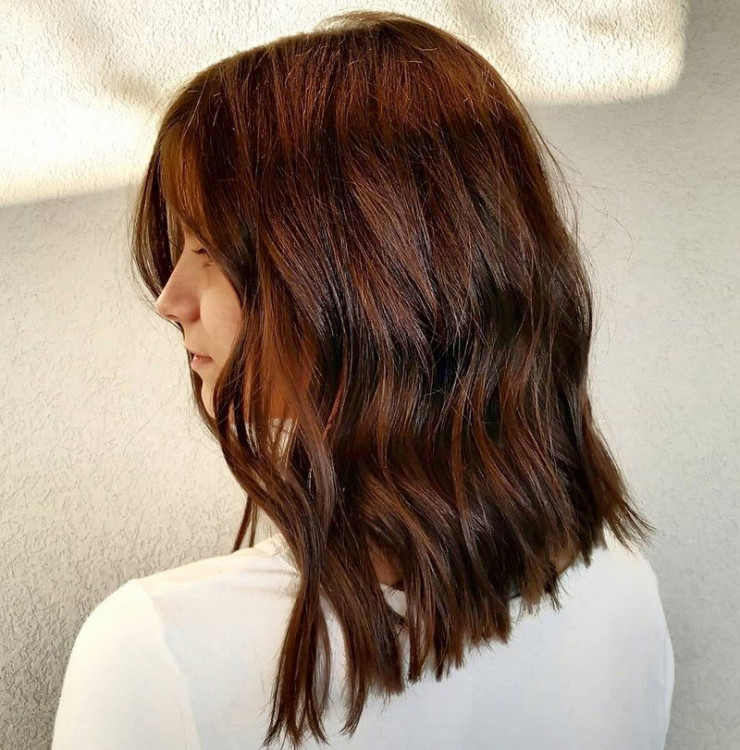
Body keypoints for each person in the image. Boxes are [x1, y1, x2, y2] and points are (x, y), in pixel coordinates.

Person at [52, 10, 674, 750]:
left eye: (208, 249)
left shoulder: (158, 654)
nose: (169, 299)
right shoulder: (621, 585)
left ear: (368, 279)